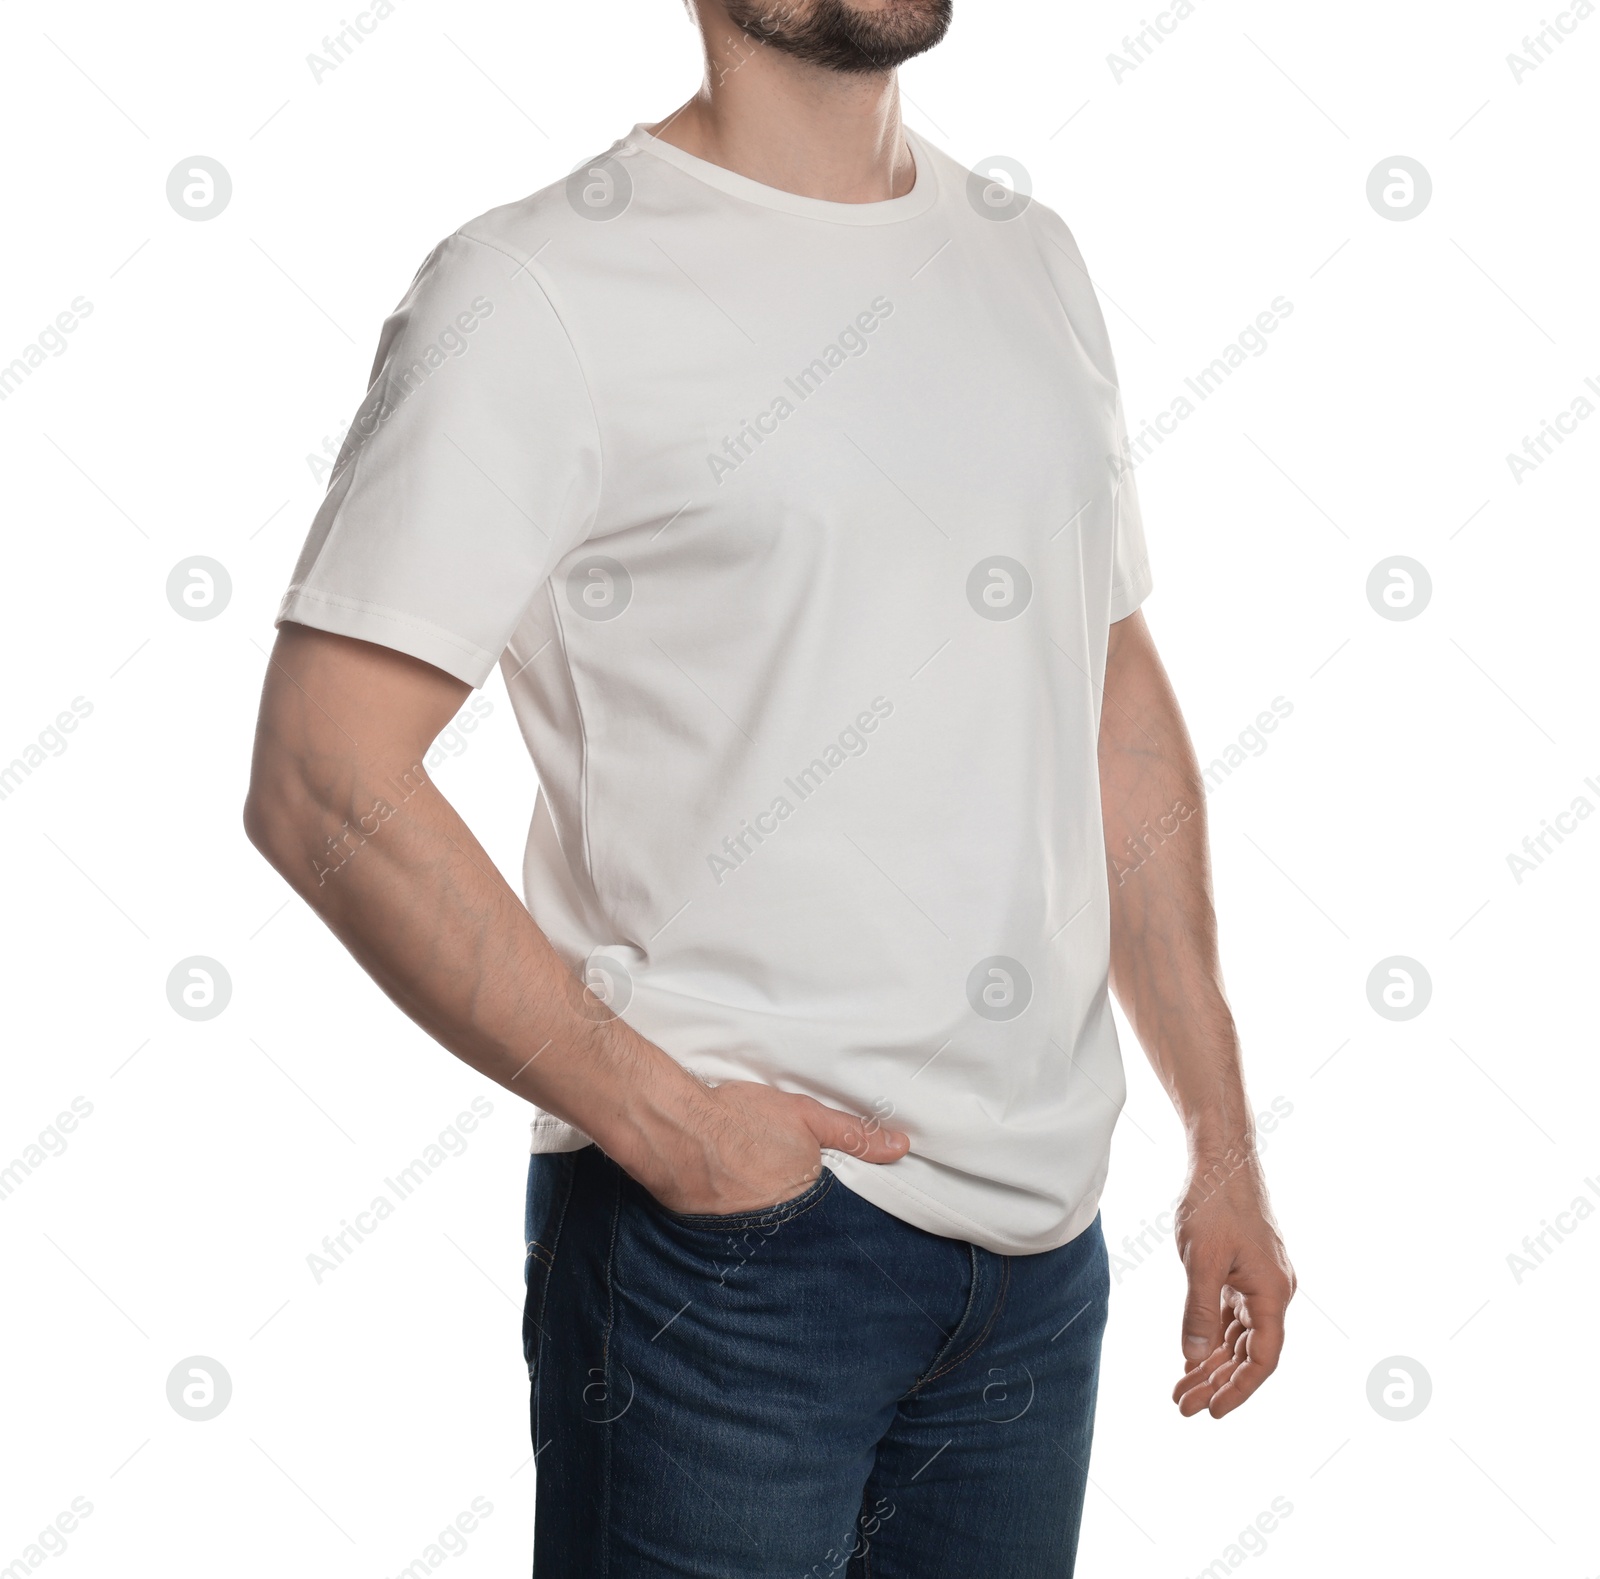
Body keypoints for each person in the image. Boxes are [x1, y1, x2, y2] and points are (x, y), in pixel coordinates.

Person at [244, 2, 1295, 1573]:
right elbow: (324, 774)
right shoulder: (540, 291)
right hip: (731, 1260)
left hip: (1038, 1255)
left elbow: (1113, 709)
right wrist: (672, 1129)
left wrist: (1223, 1144)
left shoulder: (1031, 261)